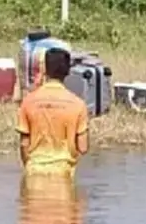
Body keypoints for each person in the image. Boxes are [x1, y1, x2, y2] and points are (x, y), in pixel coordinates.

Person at [16, 46, 90, 174]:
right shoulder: (78, 104)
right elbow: (83, 148)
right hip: (64, 172)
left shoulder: (28, 101)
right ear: (68, 71)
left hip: (34, 171)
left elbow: (24, 144)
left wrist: (29, 166)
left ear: (44, 70)